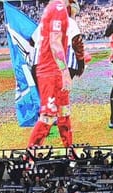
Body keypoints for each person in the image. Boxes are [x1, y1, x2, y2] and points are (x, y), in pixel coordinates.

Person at [26, 0, 86, 155]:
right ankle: (29, 158)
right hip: (52, 70)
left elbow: (32, 41)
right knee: (48, 115)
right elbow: (57, 42)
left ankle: (69, 152)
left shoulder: (54, 9)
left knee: (64, 112)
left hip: (48, 68)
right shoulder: (59, 8)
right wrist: (67, 72)